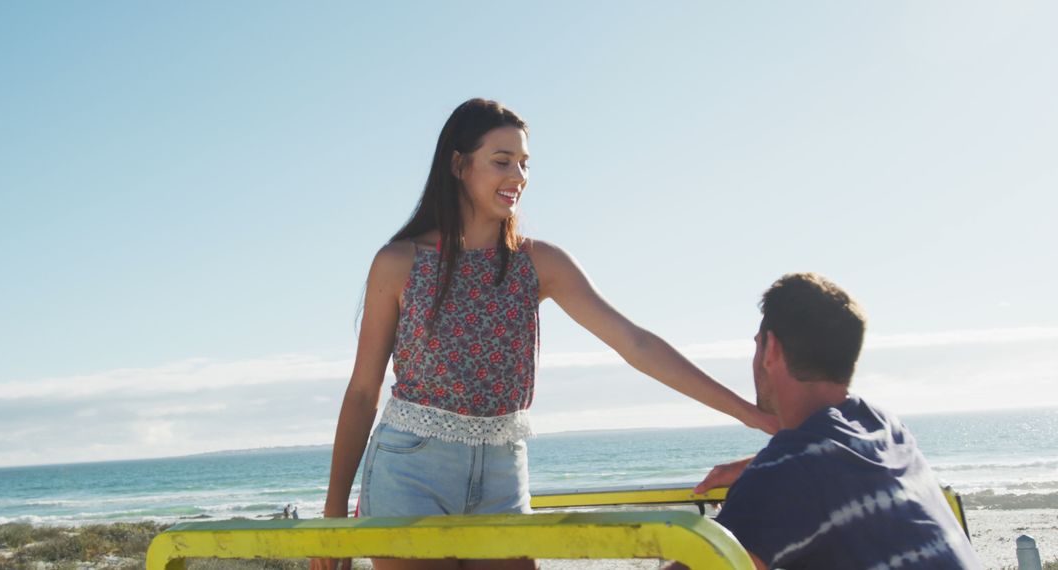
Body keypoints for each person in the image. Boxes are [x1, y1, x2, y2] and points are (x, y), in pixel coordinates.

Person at [312, 98, 776, 570]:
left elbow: (635, 343)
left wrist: (750, 415)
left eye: (524, 164)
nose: (517, 176)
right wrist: (333, 520)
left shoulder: (539, 263)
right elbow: (363, 390)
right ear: (458, 163)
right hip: (410, 471)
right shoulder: (398, 263)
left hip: (501, 472)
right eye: (501, 161)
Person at [672, 273, 981, 569]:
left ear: (772, 349)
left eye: (757, 344)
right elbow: (837, 464)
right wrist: (757, 465)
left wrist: (761, 475)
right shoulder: (884, 427)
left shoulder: (785, 473)